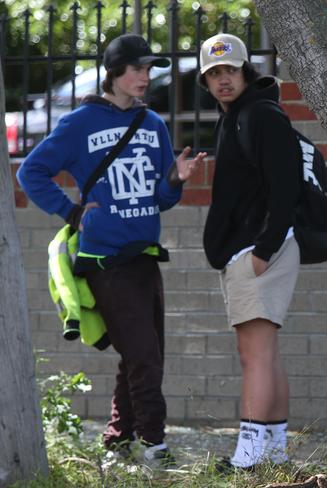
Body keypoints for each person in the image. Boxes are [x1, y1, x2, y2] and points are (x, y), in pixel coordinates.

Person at [17, 33, 206, 468]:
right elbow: (32, 172)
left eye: (148, 69)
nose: (145, 77)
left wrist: (175, 177)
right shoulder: (80, 123)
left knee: (139, 355)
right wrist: (73, 213)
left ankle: (118, 442)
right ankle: (156, 448)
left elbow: (160, 198)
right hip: (105, 261)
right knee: (144, 356)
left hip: (145, 256)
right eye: (137, 69)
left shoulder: (153, 124)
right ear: (114, 73)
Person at [199, 33, 302, 470]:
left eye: (230, 70)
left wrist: (263, 249)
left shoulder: (260, 115)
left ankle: (250, 456)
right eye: (214, 74)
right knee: (266, 353)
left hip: (261, 251)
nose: (223, 80)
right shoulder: (236, 117)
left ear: (246, 71)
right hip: (257, 249)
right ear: (206, 81)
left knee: (254, 354)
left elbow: (287, 187)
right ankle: (273, 451)